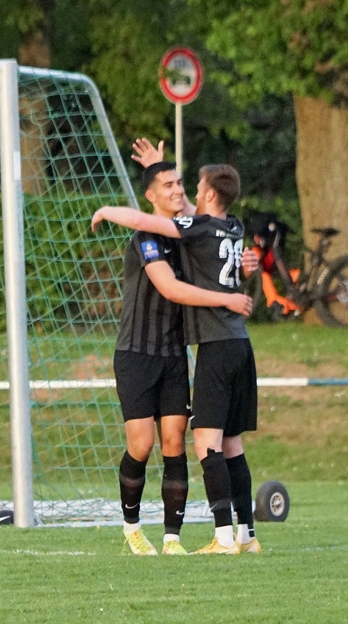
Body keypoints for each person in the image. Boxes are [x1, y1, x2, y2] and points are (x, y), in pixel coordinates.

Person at [93, 163, 261, 555]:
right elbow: (169, 287)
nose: (178, 190)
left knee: (176, 442)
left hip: (174, 354)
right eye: (168, 184)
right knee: (142, 444)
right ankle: (133, 528)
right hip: (137, 353)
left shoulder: (190, 237)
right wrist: (229, 295)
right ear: (150, 195)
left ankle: (173, 539)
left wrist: (241, 268)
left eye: (183, 183)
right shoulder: (148, 238)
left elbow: (204, 228)